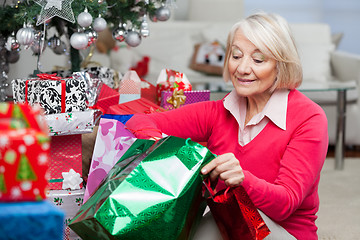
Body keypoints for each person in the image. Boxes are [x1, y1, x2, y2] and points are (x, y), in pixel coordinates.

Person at [125, 12, 328, 240]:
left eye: (258, 60)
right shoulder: (216, 112)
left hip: (285, 233)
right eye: (236, 56)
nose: (242, 68)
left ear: (281, 65)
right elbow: (139, 121)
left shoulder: (309, 118)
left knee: (225, 217)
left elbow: (286, 204)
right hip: (230, 222)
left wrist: (243, 180)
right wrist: (161, 146)